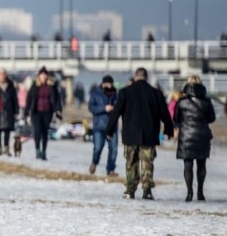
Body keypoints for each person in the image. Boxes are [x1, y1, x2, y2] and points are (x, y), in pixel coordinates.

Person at [106, 68, 173, 200]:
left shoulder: (125, 92)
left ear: (135, 77)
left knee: (131, 162)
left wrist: (109, 129)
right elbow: (165, 114)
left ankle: (130, 190)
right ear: (146, 77)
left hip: (130, 134)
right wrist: (169, 129)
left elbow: (116, 112)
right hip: (149, 135)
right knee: (147, 162)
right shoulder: (156, 93)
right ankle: (147, 190)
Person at [173, 75, 216, 202]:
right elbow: (211, 118)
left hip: (186, 135)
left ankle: (189, 192)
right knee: (201, 164)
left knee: (188, 165)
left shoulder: (181, 101)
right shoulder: (207, 101)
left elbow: (176, 118)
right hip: (202, 135)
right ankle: (200, 192)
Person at [24, 66, 62, 160]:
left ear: (47, 76)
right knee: (37, 131)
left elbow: (57, 99)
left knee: (45, 132)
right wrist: (26, 111)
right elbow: (29, 98)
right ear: (39, 76)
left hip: (47, 112)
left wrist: (58, 110)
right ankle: (37, 150)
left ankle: (44, 152)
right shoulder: (35, 85)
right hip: (36, 112)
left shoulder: (52, 85)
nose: (44, 76)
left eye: (45, 74)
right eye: (42, 74)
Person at [88, 75, 118, 176]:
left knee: (113, 149)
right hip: (99, 126)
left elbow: (119, 106)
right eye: (107, 84)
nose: (109, 86)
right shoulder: (95, 93)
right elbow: (91, 108)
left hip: (112, 126)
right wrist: (104, 108)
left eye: (110, 84)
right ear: (103, 83)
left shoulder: (115, 93)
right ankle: (94, 163)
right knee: (98, 147)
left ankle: (111, 169)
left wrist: (115, 108)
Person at [0, 68, 18, 156]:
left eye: (3, 74)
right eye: (0, 74)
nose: (2, 75)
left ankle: (6, 148)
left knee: (7, 130)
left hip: (8, 111)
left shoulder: (11, 85)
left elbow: (14, 99)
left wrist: (16, 110)